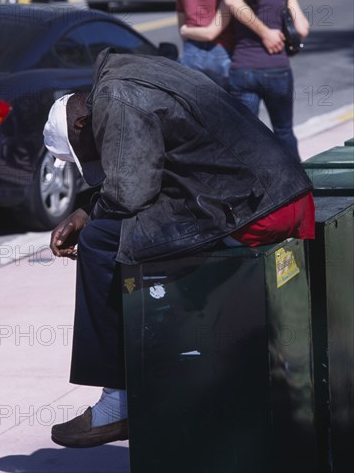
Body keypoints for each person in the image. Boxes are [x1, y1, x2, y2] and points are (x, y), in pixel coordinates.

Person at [43, 48, 314, 448]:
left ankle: (117, 400)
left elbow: (130, 193)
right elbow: (143, 170)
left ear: (82, 122)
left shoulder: (115, 100)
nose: (98, 157)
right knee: (110, 228)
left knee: (100, 241)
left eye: (90, 151)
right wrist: (86, 208)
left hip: (254, 210)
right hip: (280, 193)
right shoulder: (130, 74)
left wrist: (88, 217)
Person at [180, 0, 309, 161]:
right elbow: (303, 30)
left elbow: (213, 31)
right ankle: (298, 188)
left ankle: (252, 189)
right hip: (277, 70)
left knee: (246, 135)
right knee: (284, 131)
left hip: (242, 72)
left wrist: (186, 30)